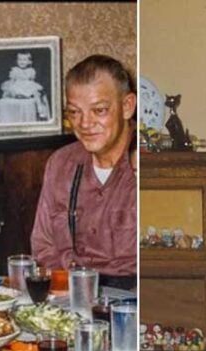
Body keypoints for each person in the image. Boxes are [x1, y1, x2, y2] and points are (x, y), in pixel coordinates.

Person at [30, 55, 137, 290]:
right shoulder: (61, 164)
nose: (85, 124)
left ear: (127, 106)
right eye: (74, 112)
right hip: (71, 294)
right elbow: (44, 247)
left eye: (99, 110)